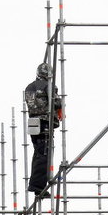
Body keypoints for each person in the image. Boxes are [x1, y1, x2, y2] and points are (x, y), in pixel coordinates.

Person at [24, 62, 63, 197]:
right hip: (45, 123)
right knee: (44, 155)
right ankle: (37, 187)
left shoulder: (29, 87)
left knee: (38, 153)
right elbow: (56, 102)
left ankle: (36, 185)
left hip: (33, 124)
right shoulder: (49, 86)